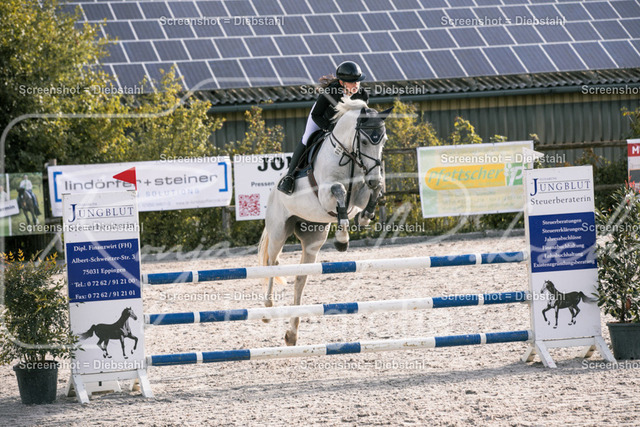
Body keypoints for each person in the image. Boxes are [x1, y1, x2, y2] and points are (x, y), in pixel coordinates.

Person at [277, 61, 370, 195]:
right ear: (342, 82)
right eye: (352, 82)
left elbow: (360, 118)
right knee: (306, 139)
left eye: (358, 81)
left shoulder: (362, 95)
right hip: (322, 119)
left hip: (344, 124)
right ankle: (289, 177)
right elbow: (316, 115)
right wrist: (328, 128)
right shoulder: (330, 92)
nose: (356, 85)